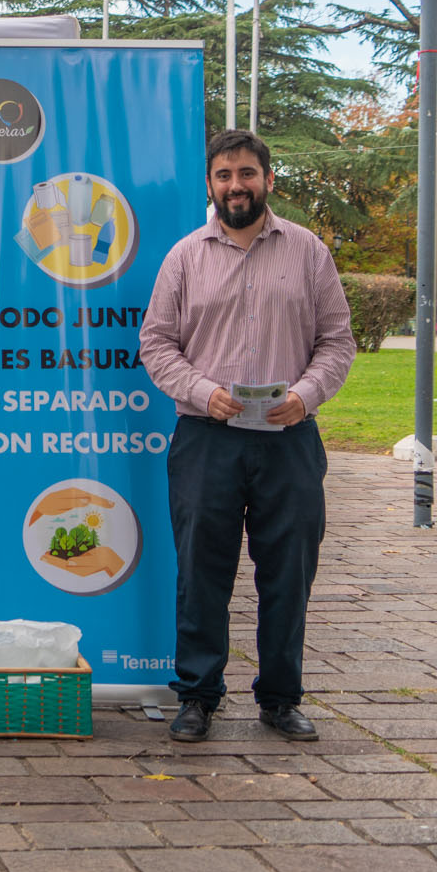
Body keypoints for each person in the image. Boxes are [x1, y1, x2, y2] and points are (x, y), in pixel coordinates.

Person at [138, 129, 355, 744]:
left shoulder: (309, 252)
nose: (236, 185)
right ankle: (198, 696)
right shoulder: (184, 257)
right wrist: (203, 390)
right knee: (201, 571)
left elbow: (337, 341)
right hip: (208, 436)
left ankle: (281, 698)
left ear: (267, 178)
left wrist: (305, 395)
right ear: (210, 184)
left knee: (289, 572)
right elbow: (155, 342)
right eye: (224, 175)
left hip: (289, 440)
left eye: (247, 173)